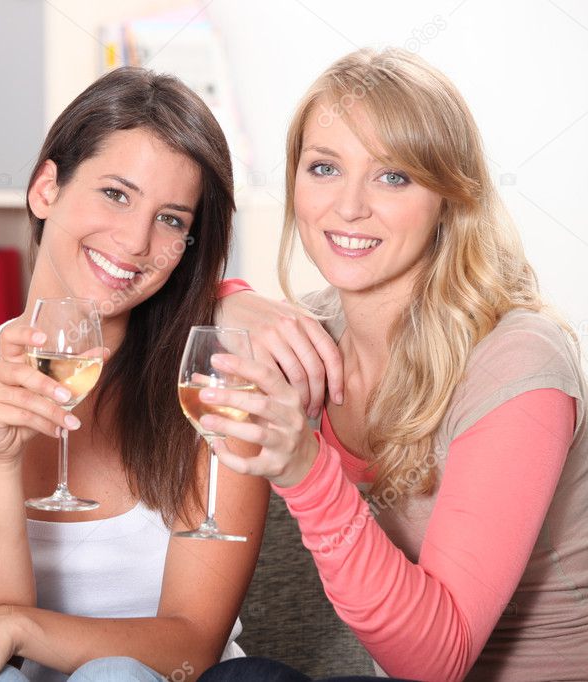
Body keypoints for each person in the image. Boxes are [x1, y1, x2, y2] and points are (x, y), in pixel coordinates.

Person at [197, 48, 588, 681]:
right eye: (324, 167)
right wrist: (226, 302)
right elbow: (133, 317)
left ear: (451, 199)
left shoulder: (517, 362)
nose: (349, 207)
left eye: (393, 177)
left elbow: (439, 661)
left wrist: (305, 469)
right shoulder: (307, 333)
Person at [0, 67, 270, 681]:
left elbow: (192, 644)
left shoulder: (215, 398)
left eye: (172, 219)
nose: (134, 241)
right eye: (116, 194)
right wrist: (0, 462)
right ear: (47, 188)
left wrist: (18, 624)